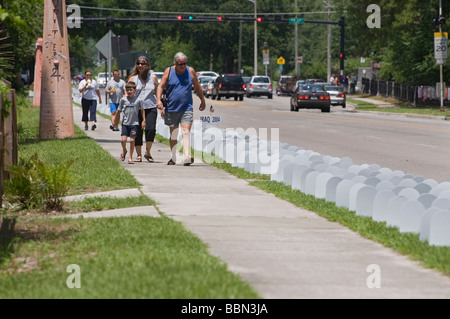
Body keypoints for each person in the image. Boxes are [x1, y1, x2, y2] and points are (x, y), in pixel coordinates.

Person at [156, 52, 206, 166]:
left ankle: (187, 156)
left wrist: (202, 100)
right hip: (172, 108)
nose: (183, 66)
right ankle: (173, 157)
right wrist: (158, 100)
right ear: (175, 63)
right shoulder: (169, 71)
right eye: (180, 64)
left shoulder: (190, 71)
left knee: (186, 132)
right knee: (174, 134)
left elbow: (197, 87)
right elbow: (161, 86)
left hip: (186, 107)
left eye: (184, 64)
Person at [127, 56, 159, 162]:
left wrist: (159, 101)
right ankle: (139, 154)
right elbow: (127, 93)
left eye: (143, 63)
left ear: (147, 65)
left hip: (151, 106)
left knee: (151, 129)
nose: (140, 65)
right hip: (136, 108)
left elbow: (158, 89)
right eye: (138, 63)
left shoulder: (152, 77)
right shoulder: (133, 78)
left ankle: (148, 152)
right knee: (138, 131)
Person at [114, 81, 145, 164]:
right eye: (127, 90)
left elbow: (142, 110)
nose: (129, 91)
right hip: (125, 123)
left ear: (135, 90)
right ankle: (124, 150)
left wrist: (144, 121)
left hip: (134, 124)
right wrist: (115, 121)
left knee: (132, 140)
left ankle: (130, 157)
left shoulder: (138, 100)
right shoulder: (123, 100)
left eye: (131, 90)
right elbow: (118, 111)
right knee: (123, 140)